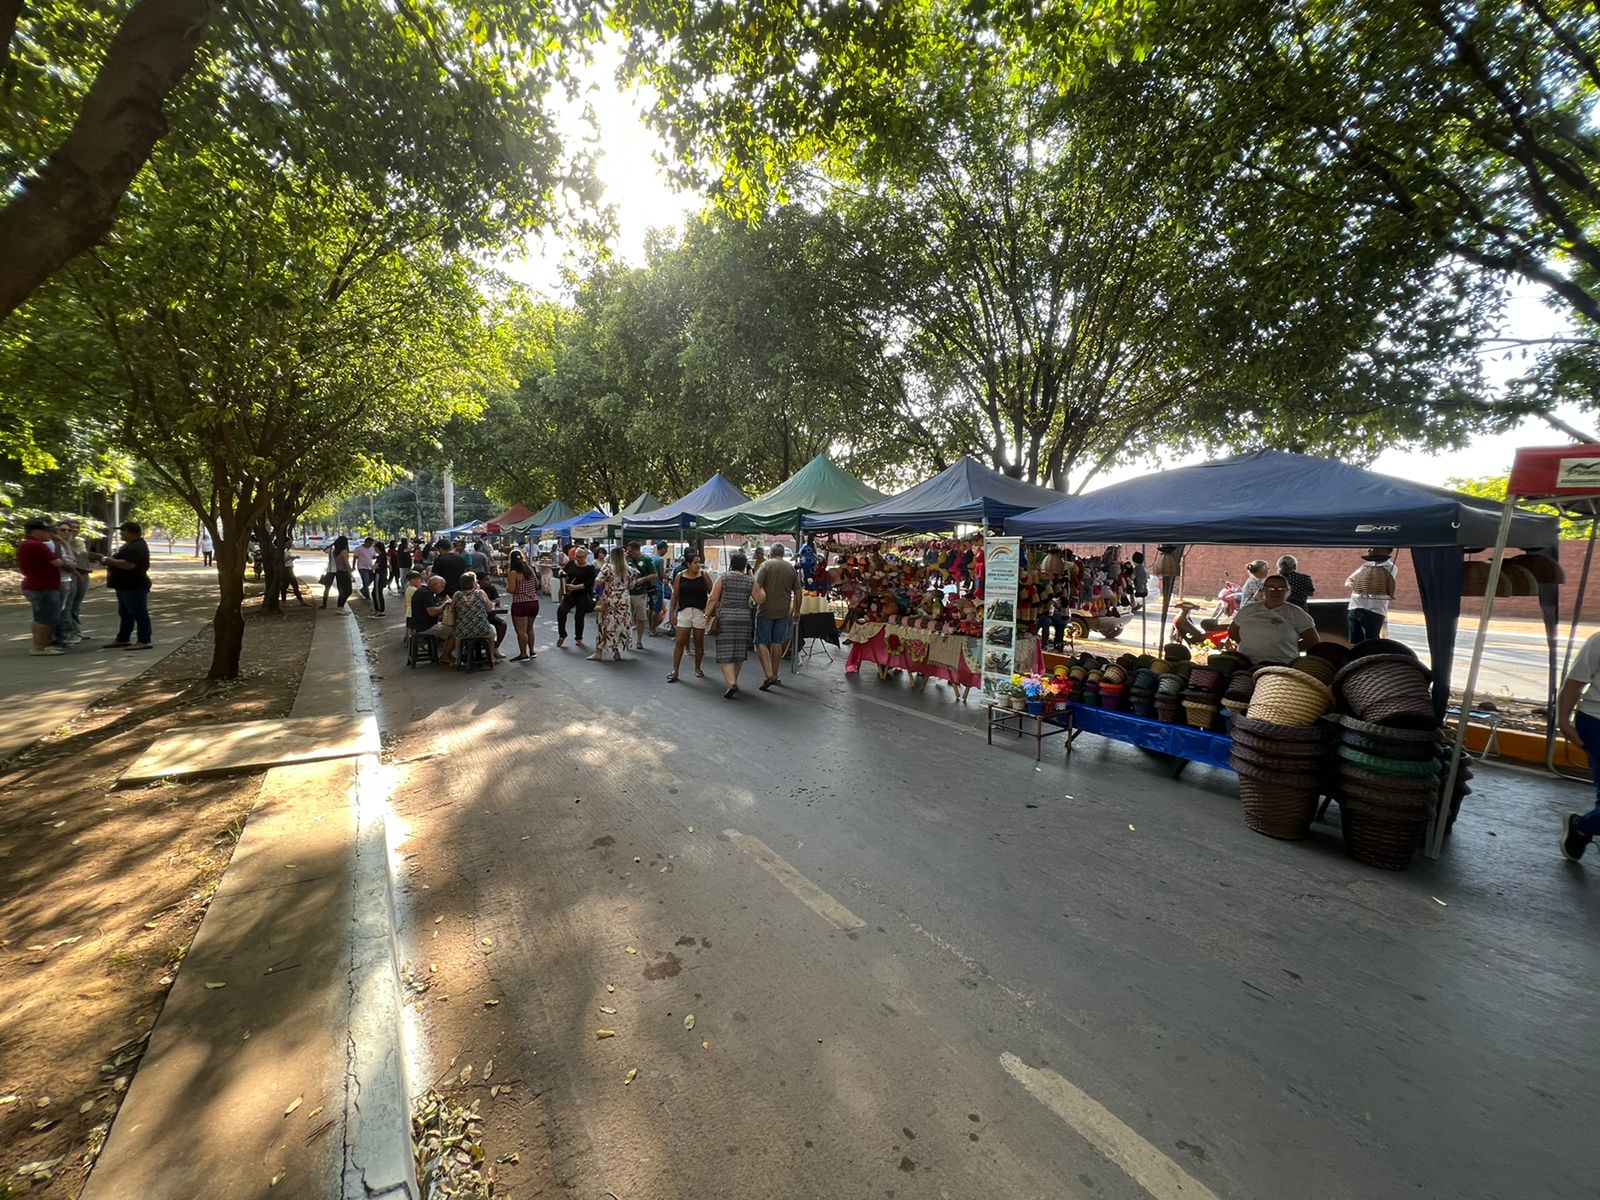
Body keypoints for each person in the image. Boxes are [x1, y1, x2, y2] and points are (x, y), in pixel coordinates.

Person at [1557, 631, 1600, 861]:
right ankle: (1580, 826)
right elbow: (1574, 683)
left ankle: (1583, 827)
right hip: (1596, 721)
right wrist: (1563, 721)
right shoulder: (1598, 641)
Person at [1227, 574, 1318, 665]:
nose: (1275, 592)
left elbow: (1312, 640)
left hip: (1283, 665)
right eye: (1270, 588)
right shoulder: (1247, 610)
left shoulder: (1297, 613)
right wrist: (1249, 645)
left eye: (1281, 589)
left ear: (1288, 591)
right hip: (1247, 664)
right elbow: (1233, 632)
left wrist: (1289, 649)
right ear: (1263, 590)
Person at [705, 551, 758, 698]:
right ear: (744, 566)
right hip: (744, 618)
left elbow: (713, 598)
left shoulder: (723, 578)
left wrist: (707, 614)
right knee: (739, 651)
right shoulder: (750, 580)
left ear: (731, 565)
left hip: (726, 618)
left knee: (725, 651)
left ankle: (731, 682)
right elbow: (759, 599)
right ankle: (733, 681)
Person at [752, 543, 801, 690]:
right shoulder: (790, 568)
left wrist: (756, 600)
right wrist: (797, 611)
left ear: (771, 553)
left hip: (765, 609)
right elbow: (798, 592)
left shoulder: (766, 566)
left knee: (760, 641)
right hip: (783, 610)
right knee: (777, 642)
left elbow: (757, 586)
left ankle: (768, 675)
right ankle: (775, 673)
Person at [20, 517, 70, 655]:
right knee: (47, 618)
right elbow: (58, 562)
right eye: (46, 530)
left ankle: (42, 644)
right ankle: (39, 647)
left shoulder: (28, 544)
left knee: (42, 617)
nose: (50, 533)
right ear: (35, 531)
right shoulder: (36, 545)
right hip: (43, 586)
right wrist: (59, 545)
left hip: (40, 585)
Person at [103, 520, 154, 650]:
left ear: (127, 531)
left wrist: (106, 560)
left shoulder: (136, 547)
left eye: (122, 531)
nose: (120, 534)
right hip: (124, 585)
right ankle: (123, 638)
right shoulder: (130, 545)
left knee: (139, 613)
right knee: (125, 613)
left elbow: (129, 565)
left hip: (134, 585)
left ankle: (144, 639)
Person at [667, 550, 710, 682]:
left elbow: (712, 593)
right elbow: (675, 595)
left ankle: (697, 668)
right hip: (684, 611)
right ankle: (675, 670)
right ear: (688, 564)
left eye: (699, 562)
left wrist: (708, 611)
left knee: (698, 642)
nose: (698, 565)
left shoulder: (704, 575)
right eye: (695, 562)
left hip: (699, 612)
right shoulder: (680, 576)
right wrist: (672, 613)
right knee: (680, 641)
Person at [588, 547, 635, 662]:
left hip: (610, 598)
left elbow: (598, 581)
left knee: (604, 625)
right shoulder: (629, 570)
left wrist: (608, 581)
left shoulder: (607, 567)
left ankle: (598, 652)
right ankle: (617, 651)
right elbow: (632, 586)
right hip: (624, 599)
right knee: (621, 625)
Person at [1345, 547, 1398, 644]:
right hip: (1355, 607)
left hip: (1374, 610)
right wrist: (1358, 585)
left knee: (1372, 643)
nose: (1369, 550)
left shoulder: (1391, 567)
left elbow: (1377, 583)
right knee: (1354, 642)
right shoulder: (1366, 565)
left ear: (1385, 550)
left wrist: (1361, 583)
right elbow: (1349, 581)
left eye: (1373, 547)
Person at [556, 545, 598, 647]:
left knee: (579, 616)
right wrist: (561, 572)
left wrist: (575, 587)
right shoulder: (571, 563)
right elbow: (563, 570)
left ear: (585, 556)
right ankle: (562, 634)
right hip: (569, 594)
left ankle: (578, 637)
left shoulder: (590, 568)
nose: (578, 559)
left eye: (580, 557)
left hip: (582, 594)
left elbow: (589, 583)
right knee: (561, 611)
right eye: (576, 557)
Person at [450, 571, 496, 666]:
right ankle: (491, 657)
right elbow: (489, 608)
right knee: (492, 631)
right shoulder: (481, 593)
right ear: (473, 582)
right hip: (482, 630)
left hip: (463, 631)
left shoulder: (456, 595)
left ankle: (458, 659)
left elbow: (452, 609)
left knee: (457, 635)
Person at [411, 575, 457, 665]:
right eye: (442, 586)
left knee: (448, 629)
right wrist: (445, 604)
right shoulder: (425, 593)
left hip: (423, 624)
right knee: (455, 632)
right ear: (434, 584)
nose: (443, 588)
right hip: (425, 626)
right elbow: (432, 612)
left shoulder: (426, 592)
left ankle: (444, 654)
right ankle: (445, 656)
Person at [505, 550, 540, 661]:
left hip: (520, 603)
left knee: (521, 630)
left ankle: (523, 654)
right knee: (530, 628)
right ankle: (532, 651)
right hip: (534, 602)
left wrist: (507, 587)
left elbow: (511, 589)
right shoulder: (529, 569)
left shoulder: (513, 573)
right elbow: (537, 584)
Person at [625, 542, 655, 649]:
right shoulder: (627, 560)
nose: (629, 552)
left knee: (640, 617)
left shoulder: (646, 559)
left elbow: (654, 574)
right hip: (627, 592)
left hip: (640, 592)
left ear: (636, 550)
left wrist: (643, 579)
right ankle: (627, 638)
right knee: (627, 617)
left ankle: (639, 640)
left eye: (630, 550)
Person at [650, 540, 673, 636]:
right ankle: (653, 629)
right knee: (657, 609)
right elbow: (661, 574)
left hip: (650, 585)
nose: (666, 551)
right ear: (662, 549)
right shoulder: (660, 560)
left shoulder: (651, 557)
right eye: (666, 549)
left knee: (651, 607)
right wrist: (668, 575)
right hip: (658, 586)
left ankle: (651, 628)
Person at [329, 535, 355, 612]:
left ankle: (340, 607)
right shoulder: (344, 552)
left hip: (338, 573)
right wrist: (351, 575)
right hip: (344, 573)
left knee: (342, 591)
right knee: (348, 591)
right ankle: (340, 608)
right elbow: (346, 564)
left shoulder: (335, 552)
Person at [369, 539, 389, 615]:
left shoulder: (381, 556)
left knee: (377, 593)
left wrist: (373, 566)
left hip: (379, 575)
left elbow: (375, 566)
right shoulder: (382, 556)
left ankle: (380, 610)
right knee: (374, 593)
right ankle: (377, 609)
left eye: (375, 548)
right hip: (380, 575)